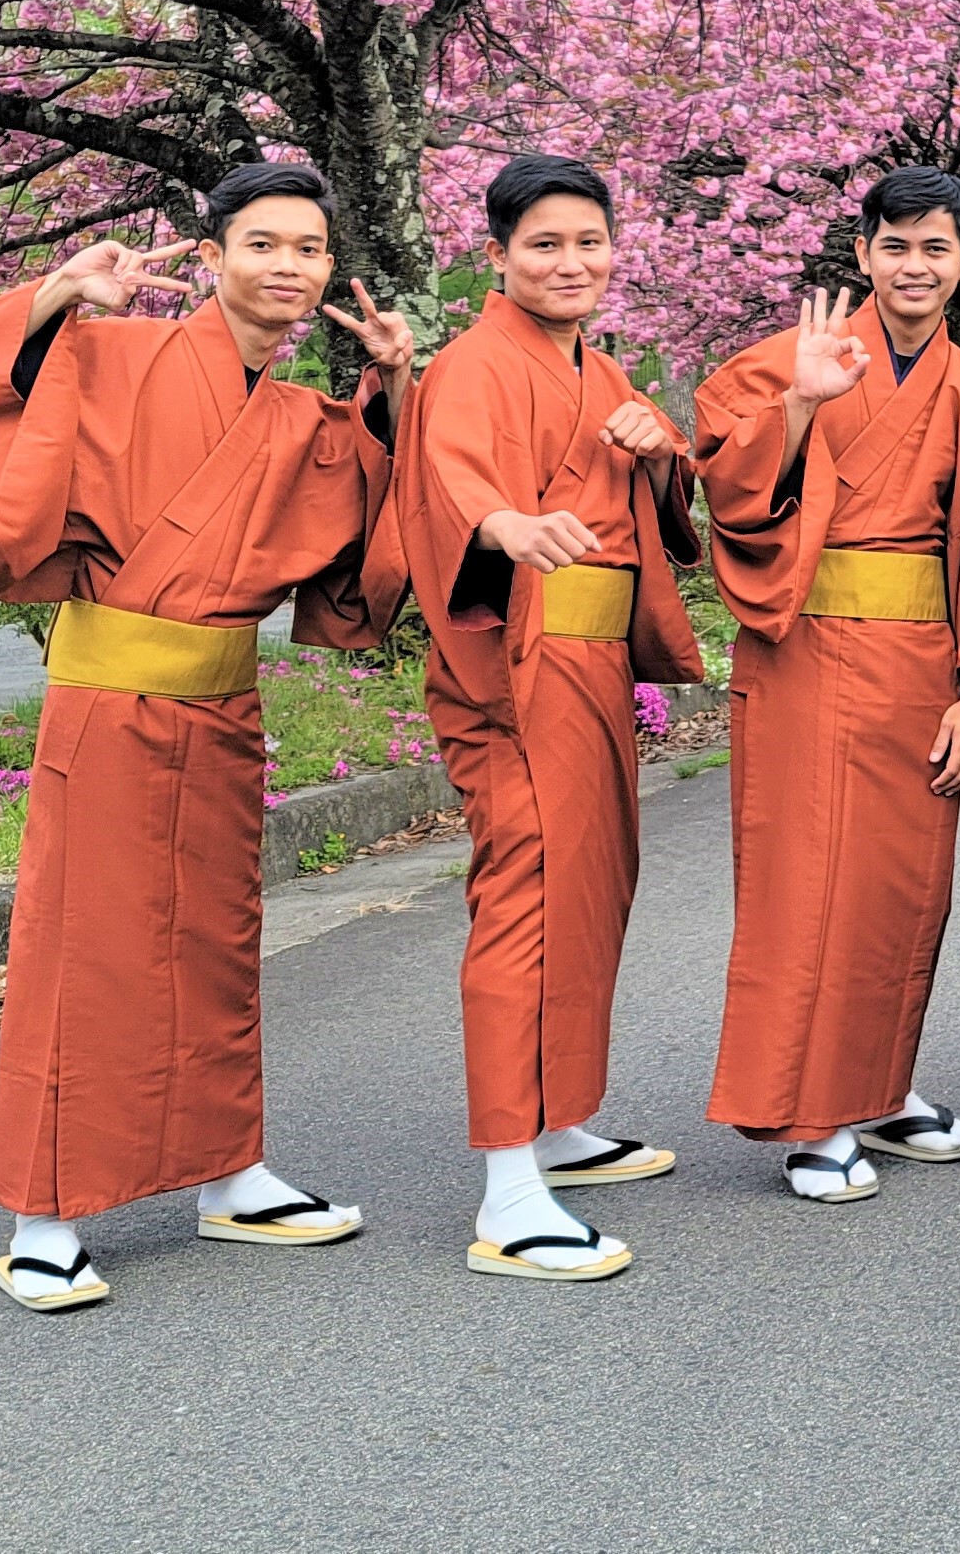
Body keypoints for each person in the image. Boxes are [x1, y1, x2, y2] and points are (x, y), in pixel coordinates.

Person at [0, 163, 413, 1313]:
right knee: (82, 954)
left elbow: (363, 516)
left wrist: (391, 390)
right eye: (264, 242)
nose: (289, 266)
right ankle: (43, 1211)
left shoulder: (297, 413)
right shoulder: (109, 352)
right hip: (109, 699)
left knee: (215, 948)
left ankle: (228, 1173)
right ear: (217, 251)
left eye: (310, 248)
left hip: (221, 708)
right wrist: (52, 299)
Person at [395, 154, 707, 1283]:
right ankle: (506, 1186)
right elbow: (447, 484)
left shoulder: (599, 365)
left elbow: (662, 503)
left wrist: (658, 445)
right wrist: (502, 528)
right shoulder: (469, 365)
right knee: (525, 893)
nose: (570, 262)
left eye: (588, 240)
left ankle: (559, 1116)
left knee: (587, 881)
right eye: (543, 244)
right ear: (496, 255)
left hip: (588, 661)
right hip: (513, 658)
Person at [694, 166, 960, 1203]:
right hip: (803, 651)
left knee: (904, 889)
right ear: (862, 254)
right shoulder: (787, 359)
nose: (912, 266)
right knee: (807, 888)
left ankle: (877, 1088)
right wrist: (798, 400)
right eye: (894, 245)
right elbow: (731, 491)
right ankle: (808, 1113)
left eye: (935, 247)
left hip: (920, 664)